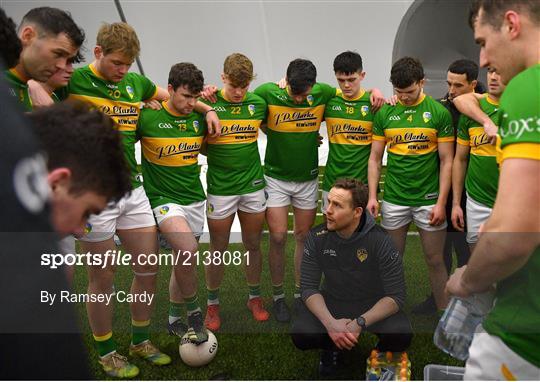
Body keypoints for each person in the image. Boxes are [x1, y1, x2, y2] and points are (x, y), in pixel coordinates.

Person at [62, 22, 174, 378]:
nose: (123, 71)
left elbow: (170, 98)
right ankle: (106, 350)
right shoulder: (72, 81)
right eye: (117, 63)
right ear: (97, 53)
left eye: (128, 64)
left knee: (148, 269)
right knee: (103, 276)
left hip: (133, 190)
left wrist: (208, 107)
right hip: (94, 195)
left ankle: (140, 340)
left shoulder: (135, 83)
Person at [446, 0, 539, 379]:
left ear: (512, 24)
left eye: (483, 42)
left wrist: (466, 280)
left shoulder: (527, 89)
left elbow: (514, 237)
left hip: (524, 335)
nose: (482, 60)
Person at [253, 58, 386, 322]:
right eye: (296, 93)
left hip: (307, 178)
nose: (302, 100)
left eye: (306, 94)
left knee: (304, 237)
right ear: (286, 82)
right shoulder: (268, 92)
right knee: (278, 237)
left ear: (314, 86)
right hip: (276, 178)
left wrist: (376, 91)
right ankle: (278, 297)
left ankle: (302, 295)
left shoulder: (324, 92)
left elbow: (353, 91)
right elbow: (250, 111)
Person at [291, 179, 412, 377]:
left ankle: (380, 353)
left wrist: (359, 323)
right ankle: (331, 348)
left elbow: (396, 297)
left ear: (357, 212)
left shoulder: (381, 240)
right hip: (334, 301)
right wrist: (331, 323)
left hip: (372, 304)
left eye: (336, 205)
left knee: (401, 333)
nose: (327, 210)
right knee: (302, 332)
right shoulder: (317, 236)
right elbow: (308, 288)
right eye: (328, 202)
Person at [367, 57, 454, 313]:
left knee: (435, 260)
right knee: (391, 260)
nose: (404, 97)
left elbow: (447, 161)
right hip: (395, 198)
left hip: (429, 200)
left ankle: (444, 314)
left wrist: (441, 203)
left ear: (422, 82)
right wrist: (373, 196)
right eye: (399, 92)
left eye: (410, 92)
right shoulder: (385, 112)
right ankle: (389, 313)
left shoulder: (438, 113)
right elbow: (374, 158)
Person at [138, 62, 211, 345]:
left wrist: (210, 109)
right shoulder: (147, 117)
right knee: (187, 249)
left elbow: (211, 143)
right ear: (169, 90)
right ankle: (194, 314)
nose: (191, 103)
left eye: (195, 97)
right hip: (163, 199)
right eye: (185, 97)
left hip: (194, 197)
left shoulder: (198, 118)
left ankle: (172, 320)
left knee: (184, 262)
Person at [202, 53, 269, 331]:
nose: (240, 92)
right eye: (234, 86)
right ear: (223, 78)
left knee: (252, 245)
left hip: (253, 185)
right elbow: (200, 144)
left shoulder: (258, 103)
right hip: (221, 188)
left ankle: (254, 298)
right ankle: (212, 305)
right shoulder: (207, 103)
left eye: (245, 86)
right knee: (218, 248)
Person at [451, 67, 505, 250]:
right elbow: (460, 160)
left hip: (513, 200)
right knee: (478, 260)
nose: (494, 77)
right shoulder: (472, 110)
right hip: (478, 200)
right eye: (491, 71)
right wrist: (456, 204)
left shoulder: (526, 108)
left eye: (501, 71)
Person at [321, 51, 376, 215]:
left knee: (363, 235)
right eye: (341, 80)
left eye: (351, 80)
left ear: (362, 75)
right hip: (332, 181)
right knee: (330, 231)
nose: (346, 85)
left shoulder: (374, 104)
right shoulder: (329, 101)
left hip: (362, 184)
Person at [4, 6, 84, 111]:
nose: (62, 66)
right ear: (27, 36)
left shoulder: (26, 88)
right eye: (58, 54)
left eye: (69, 60)